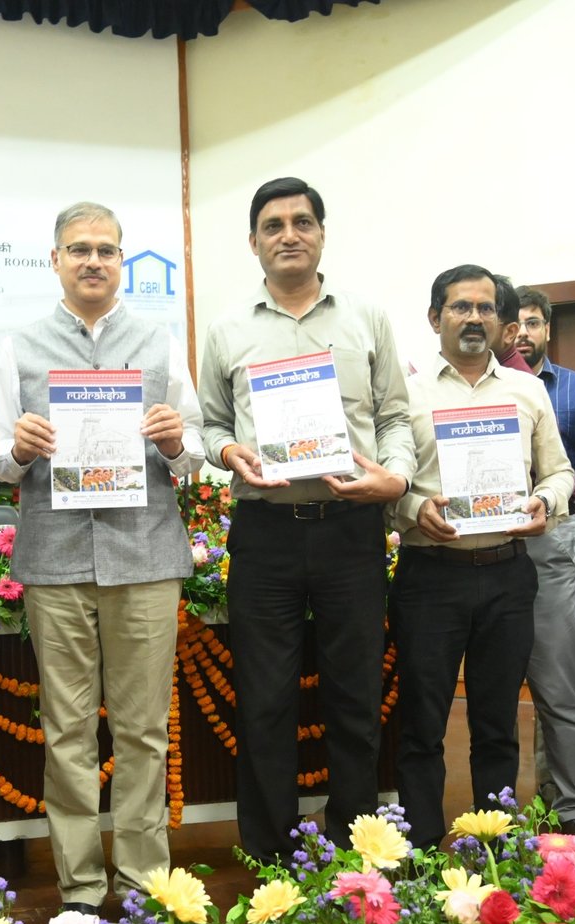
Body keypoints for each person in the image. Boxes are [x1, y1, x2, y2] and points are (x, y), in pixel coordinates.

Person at [0, 201, 203, 912]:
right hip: (56, 562)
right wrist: (17, 448)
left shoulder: (159, 343)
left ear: (121, 261)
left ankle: (141, 884)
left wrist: (176, 440)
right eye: (78, 249)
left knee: (143, 731)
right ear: (55, 260)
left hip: (144, 557)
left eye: (106, 250)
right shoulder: (19, 346)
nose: (93, 261)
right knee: (68, 732)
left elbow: (197, 451)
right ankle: (80, 889)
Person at [198, 177, 416, 860]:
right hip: (265, 532)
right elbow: (211, 425)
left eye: (301, 222)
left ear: (322, 233)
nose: (288, 235)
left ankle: (356, 853)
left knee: (355, 697)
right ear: (254, 242)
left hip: (351, 528)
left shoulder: (366, 318)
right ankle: (270, 856)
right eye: (273, 225)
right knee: (264, 701)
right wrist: (228, 451)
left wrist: (396, 478)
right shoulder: (228, 330)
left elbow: (395, 417)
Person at [390, 266, 573, 849]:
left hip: (507, 573)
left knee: (497, 723)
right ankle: (419, 854)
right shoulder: (404, 393)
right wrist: (414, 508)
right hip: (429, 576)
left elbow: (560, 472)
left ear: (500, 320)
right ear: (434, 318)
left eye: (485, 308)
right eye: (460, 307)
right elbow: (387, 482)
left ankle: (494, 852)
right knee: (422, 723)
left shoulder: (527, 390)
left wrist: (546, 501)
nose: (474, 318)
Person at [513, 285, 575, 830]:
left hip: (559, 535)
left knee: (559, 678)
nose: (522, 332)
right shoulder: (483, 389)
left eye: (532, 322)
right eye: (515, 323)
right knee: (506, 678)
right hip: (489, 539)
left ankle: (566, 806)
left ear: (547, 328)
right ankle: (509, 808)